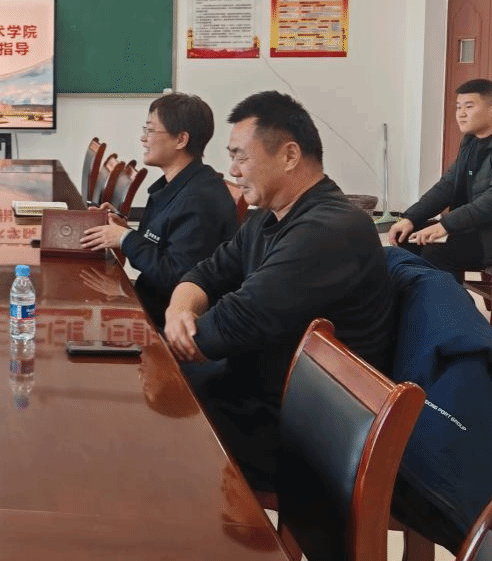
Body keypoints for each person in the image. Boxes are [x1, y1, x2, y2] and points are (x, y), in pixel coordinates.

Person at [162, 91, 395, 490]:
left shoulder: (327, 230)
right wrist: (176, 311)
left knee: (149, 428)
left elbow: (227, 327)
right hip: (257, 394)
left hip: (304, 434)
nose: (232, 170)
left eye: (240, 156)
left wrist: (172, 337)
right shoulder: (269, 217)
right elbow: (204, 273)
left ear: (289, 155)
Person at [82, 92, 239, 328]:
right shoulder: (176, 185)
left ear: (181, 140)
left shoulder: (200, 200)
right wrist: (123, 228)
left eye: (151, 130)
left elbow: (177, 278)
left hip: (169, 322)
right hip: (150, 300)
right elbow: (163, 247)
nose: (143, 138)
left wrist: (125, 239)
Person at [388, 78, 492, 282]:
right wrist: (410, 218)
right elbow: (447, 185)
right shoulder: (471, 140)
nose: (461, 114)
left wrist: (446, 225)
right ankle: (417, 299)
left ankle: (449, 301)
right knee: (407, 240)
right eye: (458, 107)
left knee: (437, 252)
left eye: (469, 107)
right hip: (479, 227)